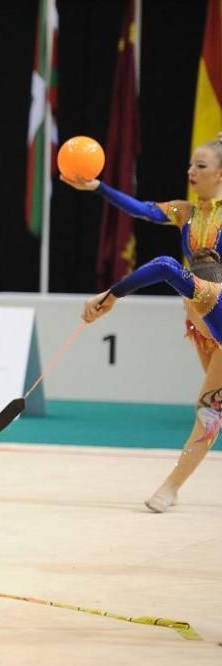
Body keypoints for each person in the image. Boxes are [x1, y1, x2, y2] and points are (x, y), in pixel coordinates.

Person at [62, 135, 222, 369]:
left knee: (211, 397)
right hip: (199, 310)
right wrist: (98, 187)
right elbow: (144, 210)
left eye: (200, 166)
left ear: (220, 174)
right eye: (190, 165)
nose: (191, 172)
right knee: (213, 399)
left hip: (214, 300)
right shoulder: (185, 211)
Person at [83, 248, 222, 512]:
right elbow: (165, 265)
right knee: (210, 414)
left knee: (210, 414)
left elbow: (166, 265)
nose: (187, 317)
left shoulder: (209, 298)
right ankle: (172, 486)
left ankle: (172, 486)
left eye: (185, 306)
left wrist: (111, 296)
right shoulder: (210, 302)